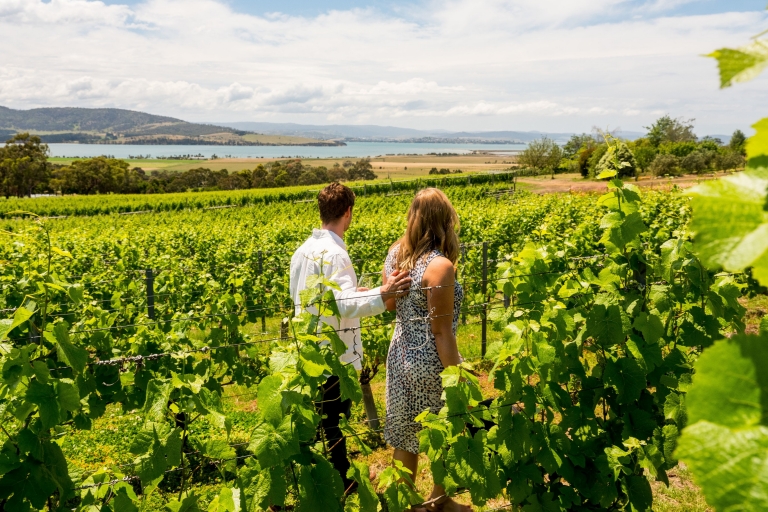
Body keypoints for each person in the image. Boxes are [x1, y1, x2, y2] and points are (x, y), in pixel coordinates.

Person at [290, 181, 411, 492]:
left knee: (319, 421)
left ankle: (320, 477)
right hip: (335, 354)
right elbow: (343, 305)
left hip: (309, 349)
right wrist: (384, 293)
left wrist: (361, 293)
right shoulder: (336, 254)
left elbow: (317, 298)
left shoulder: (302, 251)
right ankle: (341, 482)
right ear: (348, 212)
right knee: (335, 421)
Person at [382, 188, 471, 512]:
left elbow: (390, 304)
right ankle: (438, 500)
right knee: (442, 430)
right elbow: (442, 333)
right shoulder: (440, 267)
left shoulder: (396, 255)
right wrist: (458, 373)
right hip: (430, 362)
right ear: (445, 221)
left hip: (400, 353)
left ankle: (405, 502)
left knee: (406, 432)